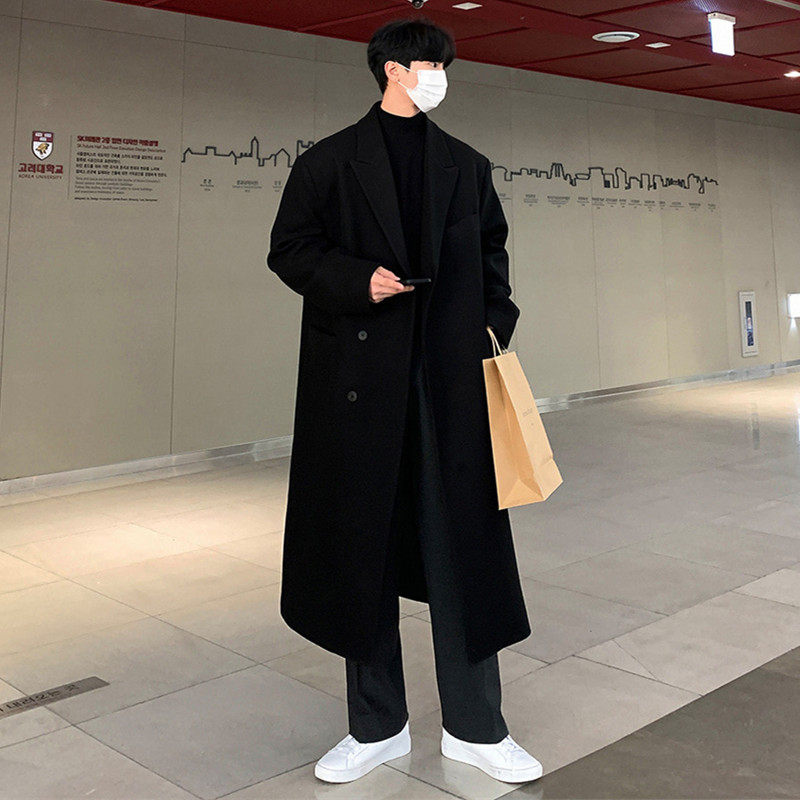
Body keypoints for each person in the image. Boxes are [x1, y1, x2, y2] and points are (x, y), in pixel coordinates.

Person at [266, 16, 542, 786]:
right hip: (360, 392)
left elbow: (494, 262)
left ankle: (478, 729)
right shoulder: (328, 163)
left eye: (444, 66)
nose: (440, 77)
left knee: (464, 559)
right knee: (362, 558)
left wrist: (488, 327)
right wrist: (358, 280)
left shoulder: (466, 165)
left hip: (450, 388)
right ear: (392, 69)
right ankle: (376, 727)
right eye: (430, 64)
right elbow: (289, 250)